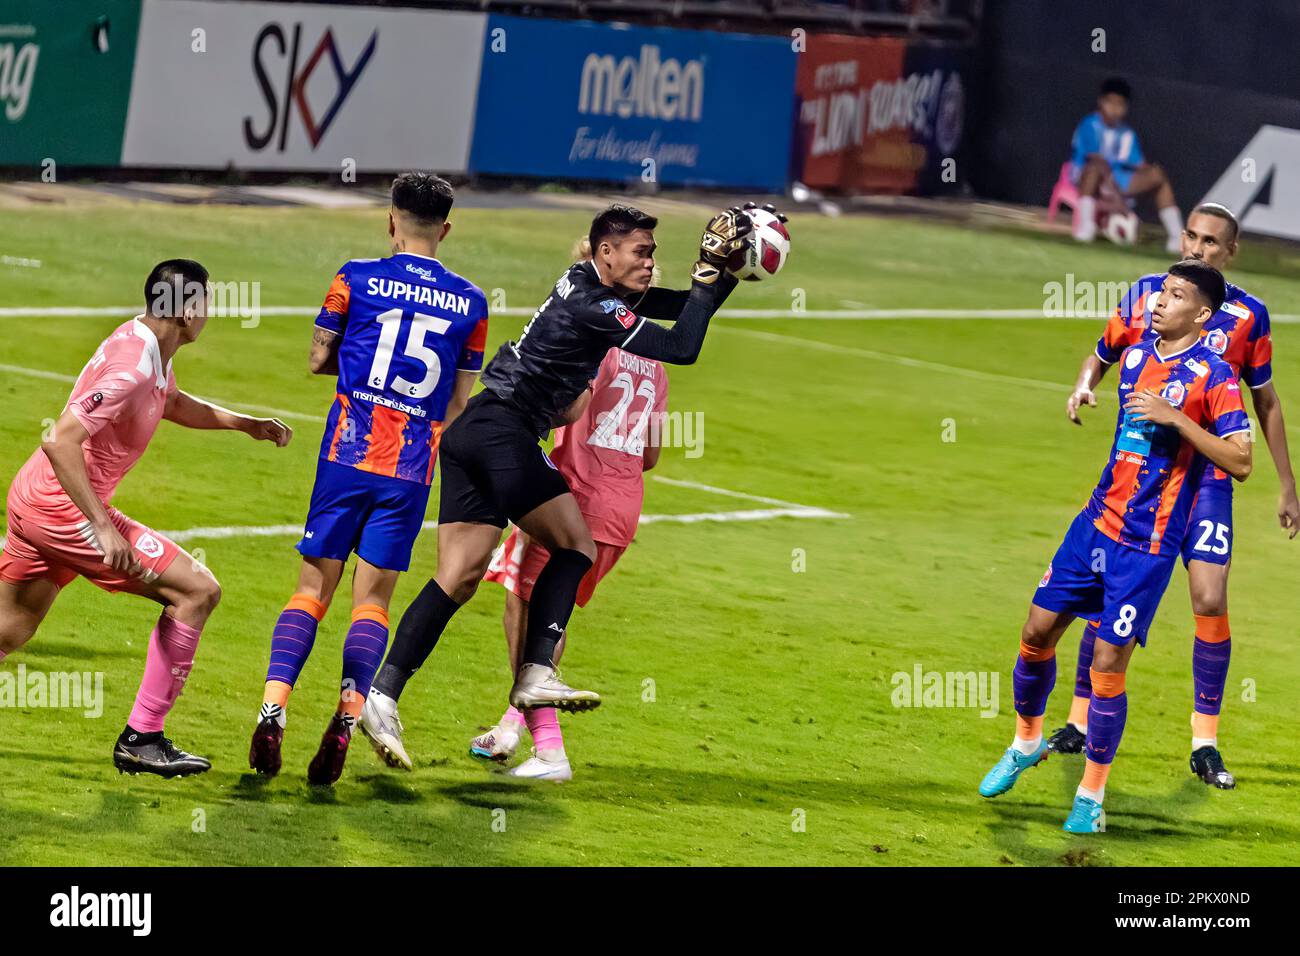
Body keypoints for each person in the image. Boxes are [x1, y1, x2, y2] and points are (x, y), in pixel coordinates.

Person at [359, 202, 771, 766]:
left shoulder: (594, 291)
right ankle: (535, 673)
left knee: (457, 578)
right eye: (642, 252)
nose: (651, 262)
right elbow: (683, 348)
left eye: (653, 253)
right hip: (504, 432)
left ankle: (380, 698)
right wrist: (707, 277)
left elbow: (682, 310)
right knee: (574, 544)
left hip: (472, 433)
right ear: (606, 252)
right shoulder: (593, 304)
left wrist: (719, 270)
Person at [978, 260, 1251, 833]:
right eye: (1161, 293)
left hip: (1148, 546)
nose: (1158, 303)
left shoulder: (1216, 376)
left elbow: (1241, 461)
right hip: (1094, 524)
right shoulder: (1134, 357)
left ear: (1201, 313)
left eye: (1175, 297)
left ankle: (1090, 798)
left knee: (1107, 665)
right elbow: (1104, 374)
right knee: (1035, 631)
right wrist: (1083, 388)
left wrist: (1178, 420)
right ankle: (1026, 742)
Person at [0, 259, 292, 777]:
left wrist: (243, 424)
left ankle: (143, 739)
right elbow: (59, 441)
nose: (210, 311)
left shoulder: (149, 345)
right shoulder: (133, 365)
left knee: (8, 628)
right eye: (204, 301)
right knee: (197, 590)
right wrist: (101, 524)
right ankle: (143, 737)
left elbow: (171, 401)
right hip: (64, 509)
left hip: (36, 499)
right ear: (182, 310)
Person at [247, 172, 487, 786]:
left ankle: (274, 708)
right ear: (447, 228)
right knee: (372, 601)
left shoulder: (353, 277)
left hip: (345, 456)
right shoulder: (473, 303)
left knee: (310, 591)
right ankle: (348, 716)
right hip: (409, 471)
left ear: (391, 220)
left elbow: (316, 359)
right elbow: (459, 403)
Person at [1054, 203, 1296, 788]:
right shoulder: (1148, 292)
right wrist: (1086, 386)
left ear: (1230, 251)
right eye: (1192, 235)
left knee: (1210, 597)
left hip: (1207, 478)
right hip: (1147, 476)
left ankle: (1205, 742)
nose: (1198, 247)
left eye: (1213, 242)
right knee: (1112, 584)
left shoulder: (1249, 316)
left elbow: (1264, 400)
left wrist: (1288, 482)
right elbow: (1104, 352)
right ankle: (1079, 723)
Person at [471, 342, 668, 781]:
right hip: (621, 512)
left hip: (571, 500)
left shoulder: (596, 347)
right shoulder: (657, 367)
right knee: (551, 615)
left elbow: (567, 410)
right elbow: (650, 455)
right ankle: (508, 729)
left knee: (523, 607)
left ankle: (550, 751)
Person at [1070, 77, 1183, 252]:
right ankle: (1086, 227)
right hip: (1086, 178)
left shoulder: (1126, 133)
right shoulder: (1089, 125)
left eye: (1120, 104)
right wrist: (1118, 201)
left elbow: (1138, 164)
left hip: (1117, 180)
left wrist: (1149, 173)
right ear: (1101, 102)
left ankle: (1177, 237)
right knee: (1094, 169)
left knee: (1158, 175)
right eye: (1110, 103)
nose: (1114, 109)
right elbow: (1096, 161)